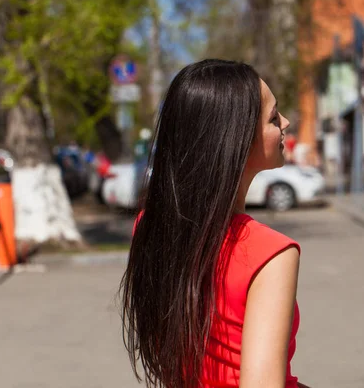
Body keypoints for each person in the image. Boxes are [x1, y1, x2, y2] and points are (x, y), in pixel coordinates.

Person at [120, 59, 307, 388]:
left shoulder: (149, 227)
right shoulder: (271, 254)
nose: (286, 123)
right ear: (237, 139)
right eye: (274, 118)